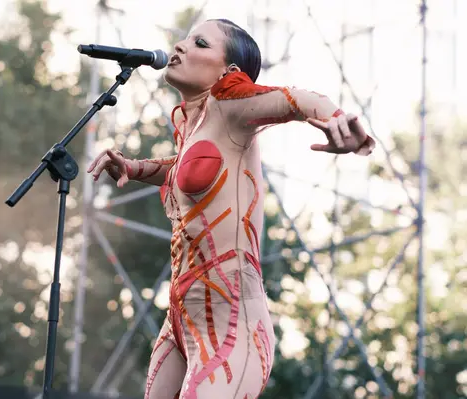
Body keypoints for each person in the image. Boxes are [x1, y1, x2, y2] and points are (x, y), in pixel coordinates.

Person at [87, 18, 374, 399]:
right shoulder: (197, 125)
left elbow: (298, 100)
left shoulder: (231, 107)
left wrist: (339, 122)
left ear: (229, 71)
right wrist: (134, 168)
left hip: (232, 318)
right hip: (179, 315)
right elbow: (185, 169)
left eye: (200, 43)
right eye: (185, 39)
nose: (181, 46)